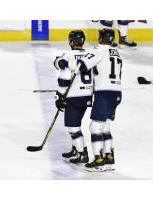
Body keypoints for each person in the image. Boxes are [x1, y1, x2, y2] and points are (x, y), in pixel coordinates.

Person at [78, 28, 122, 171]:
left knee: (95, 127)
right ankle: (109, 158)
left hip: (104, 93)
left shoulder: (99, 50)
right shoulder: (117, 53)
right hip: (117, 93)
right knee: (106, 126)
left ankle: (98, 160)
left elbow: (82, 66)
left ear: (101, 38)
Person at [54, 30, 93, 164]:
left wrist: (59, 96)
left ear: (71, 42)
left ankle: (82, 154)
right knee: (76, 123)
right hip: (87, 95)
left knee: (73, 127)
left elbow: (63, 81)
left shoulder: (68, 55)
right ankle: (76, 149)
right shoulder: (90, 55)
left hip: (74, 97)